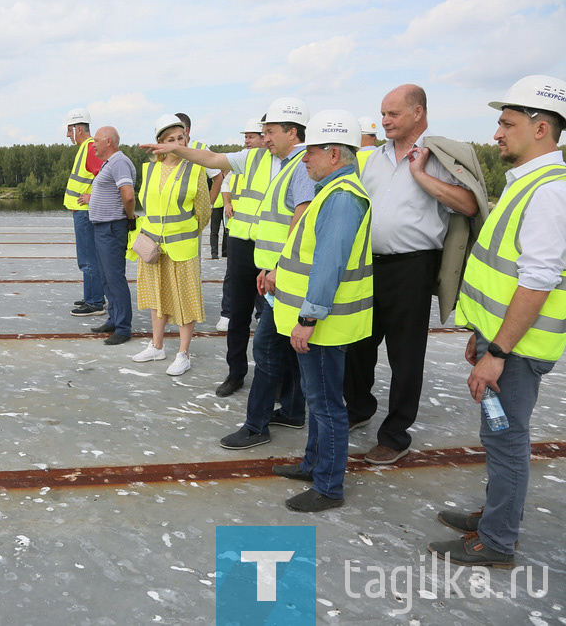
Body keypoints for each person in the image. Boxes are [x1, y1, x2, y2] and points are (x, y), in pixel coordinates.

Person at [428, 74, 566, 566]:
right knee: (497, 433)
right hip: (502, 342)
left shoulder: (548, 192)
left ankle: (498, 540)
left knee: (506, 440)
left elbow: (536, 283)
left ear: (541, 128)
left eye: (507, 124)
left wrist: (499, 352)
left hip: (519, 352)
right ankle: (496, 515)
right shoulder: (527, 183)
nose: (497, 134)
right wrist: (483, 337)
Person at [142, 98, 314, 446]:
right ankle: (287, 407)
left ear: (291, 132)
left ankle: (260, 422)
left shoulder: (306, 163)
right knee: (249, 322)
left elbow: (302, 216)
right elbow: (212, 160)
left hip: (286, 267)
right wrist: (175, 147)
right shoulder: (258, 157)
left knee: (270, 344)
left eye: (268, 132)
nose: (262, 138)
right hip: (255, 252)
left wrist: (279, 265)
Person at [344, 85, 481, 465]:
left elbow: (469, 204)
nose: (384, 120)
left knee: (406, 355)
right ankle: (358, 408)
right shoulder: (373, 157)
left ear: (418, 113)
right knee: (357, 344)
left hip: (413, 267)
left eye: (392, 114)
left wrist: (420, 174)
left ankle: (395, 434)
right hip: (369, 265)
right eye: (383, 114)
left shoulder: (440, 157)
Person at [270, 110, 373, 512]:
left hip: (326, 327)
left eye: (310, 151)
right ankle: (313, 464)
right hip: (320, 325)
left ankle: (329, 486)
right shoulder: (333, 192)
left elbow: (329, 264)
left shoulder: (343, 198)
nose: (304, 159)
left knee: (328, 406)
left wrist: (308, 318)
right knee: (318, 399)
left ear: (333, 154)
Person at [129, 114, 212, 376]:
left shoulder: (194, 168)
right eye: (170, 139)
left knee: (185, 301)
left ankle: (183, 353)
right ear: (160, 143)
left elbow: (203, 210)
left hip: (182, 246)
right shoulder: (150, 168)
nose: (177, 143)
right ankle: (157, 346)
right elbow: (147, 204)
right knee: (157, 296)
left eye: (181, 138)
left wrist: (184, 233)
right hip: (152, 246)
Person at [216, 117, 267, 336]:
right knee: (234, 278)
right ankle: (228, 314)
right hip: (238, 230)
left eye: (251, 136)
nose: (247, 140)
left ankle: (261, 315)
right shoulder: (243, 160)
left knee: (261, 279)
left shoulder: (272, 163)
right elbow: (225, 183)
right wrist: (227, 202)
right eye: (245, 137)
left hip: (263, 233)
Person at [87, 126, 137, 346]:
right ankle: (114, 319)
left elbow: (127, 195)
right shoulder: (112, 162)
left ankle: (123, 327)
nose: (93, 144)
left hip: (111, 228)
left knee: (115, 278)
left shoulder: (119, 162)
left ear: (108, 141)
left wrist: (128, 218)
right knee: (107, 278)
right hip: (103, 228)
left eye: (96, 140)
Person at [62, 108, 107, 318]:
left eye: (69, 130)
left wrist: (93, 197)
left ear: (78, 129)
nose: (67, 135)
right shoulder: (86, 148)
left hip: (85, 212)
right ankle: (93, 295)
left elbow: (106, 176)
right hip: (82, 211)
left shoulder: (89, 148)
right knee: (90, 257)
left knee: (88, 258)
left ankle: (95, 302)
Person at [175, 113, 227, 260]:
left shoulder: (200, 149)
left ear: (187, 130)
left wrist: (208, 205)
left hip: (193, 215)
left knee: (192, 260)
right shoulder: (168, 150)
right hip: (172, 216)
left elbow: (218, 177)